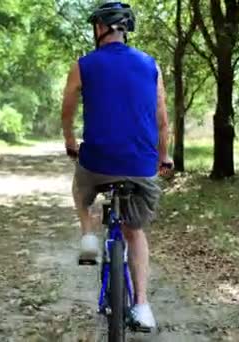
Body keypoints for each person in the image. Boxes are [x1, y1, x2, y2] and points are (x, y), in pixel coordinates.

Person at [60, 1, 173, 330]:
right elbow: (162, 121)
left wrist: (70, 142)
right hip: (140, 165)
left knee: (81, 189)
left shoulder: (83, 64)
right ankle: (142, 305)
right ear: (125, 30)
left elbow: (67, 111)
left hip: (96, 161)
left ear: (100, 28)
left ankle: (88, 237)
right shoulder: (151, 65)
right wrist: (163, 156)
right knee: (135, 231)